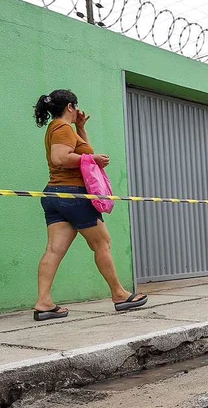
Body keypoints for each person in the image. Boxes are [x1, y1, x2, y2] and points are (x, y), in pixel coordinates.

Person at [31, 89, 147, 321]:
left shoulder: (60, 128)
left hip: (55, 194)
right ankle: (119, 294)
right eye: (76, 108)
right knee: (102, 243)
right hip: (73, 195)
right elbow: (60, 158)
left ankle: (44, 302)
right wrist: (93, 159)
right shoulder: (62, 128)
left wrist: (81, 128)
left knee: (54, 250)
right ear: (71, 107)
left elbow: (82, 151)